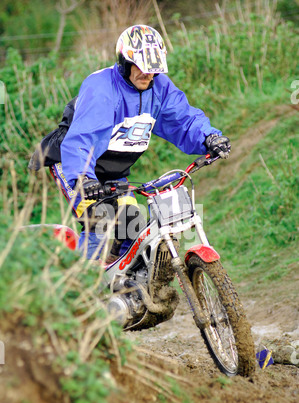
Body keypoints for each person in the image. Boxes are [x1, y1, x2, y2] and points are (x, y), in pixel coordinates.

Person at [50, 24, 231, 262]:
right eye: (141, 68)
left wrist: (209, 137)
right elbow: (83, 138)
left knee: (132, 229)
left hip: (115, 172)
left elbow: (182, 119)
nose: (147, 75)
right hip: (75, 164)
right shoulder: (101, 89)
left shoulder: (160, 87)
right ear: (125, 63)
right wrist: (84, 178)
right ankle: (73, 289)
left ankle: (124, 288)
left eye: (153, 70)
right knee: (100, 225)